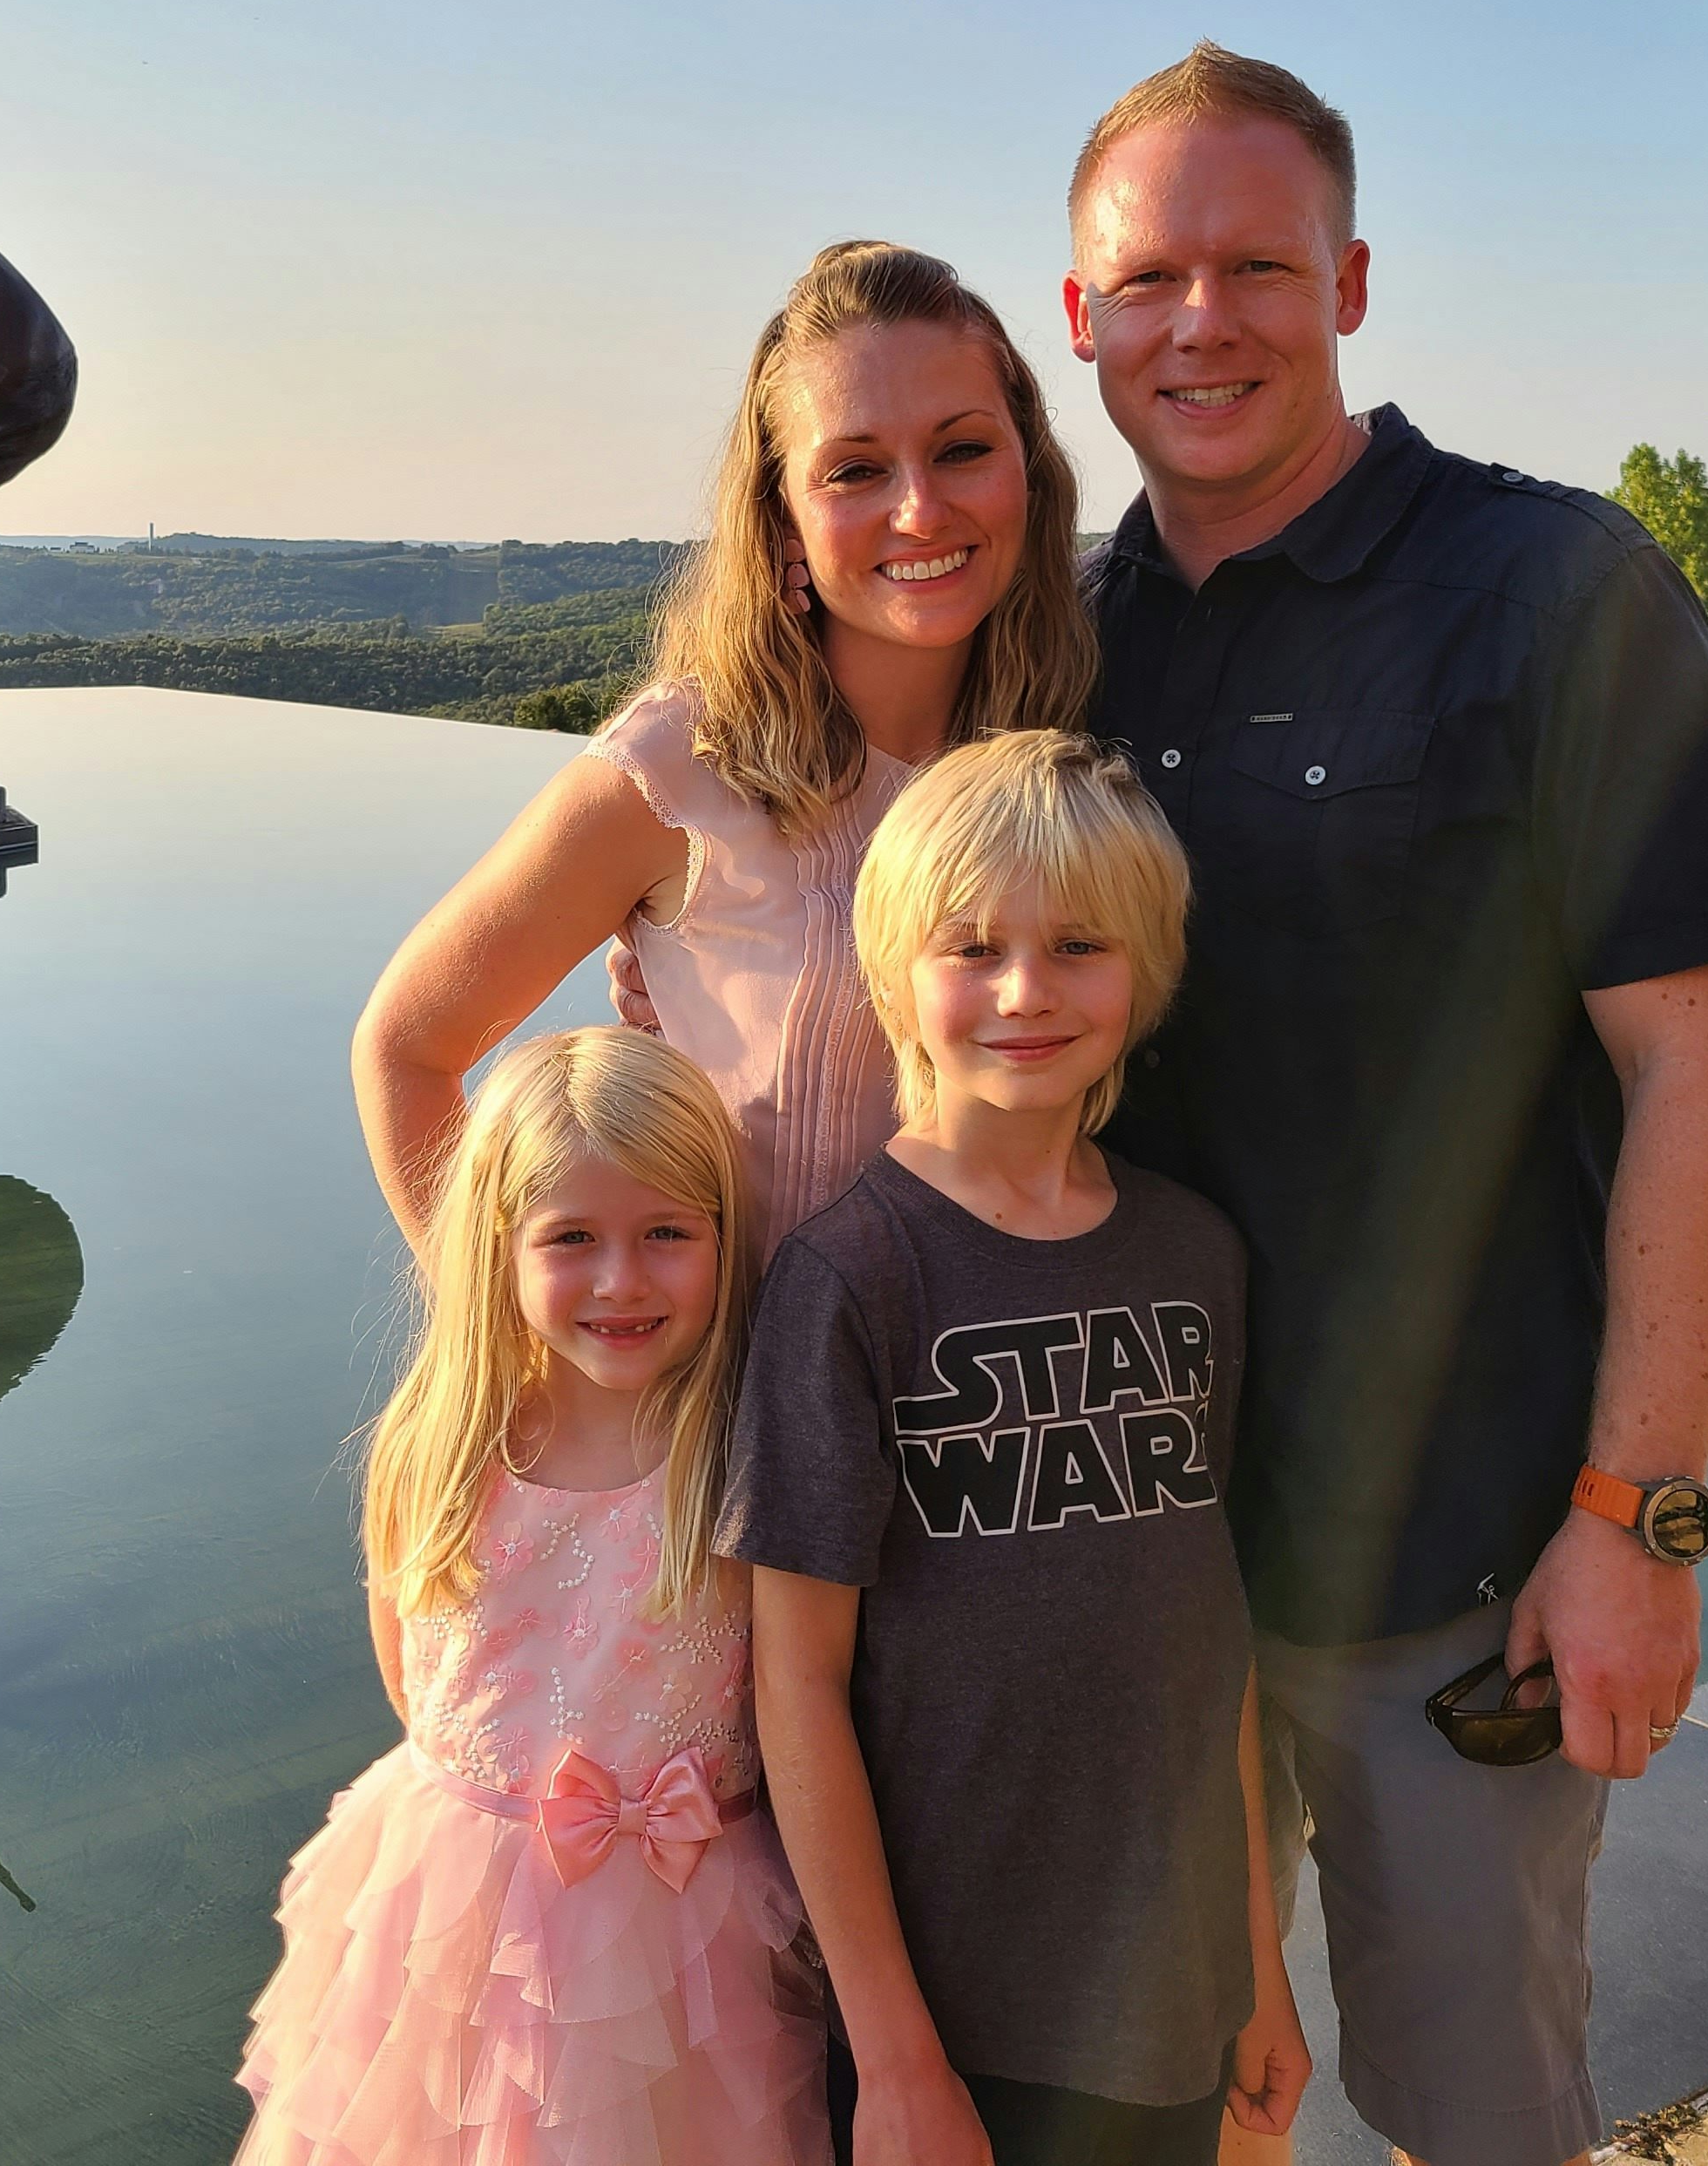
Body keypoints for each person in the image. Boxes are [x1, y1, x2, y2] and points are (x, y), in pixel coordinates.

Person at [1061, 44, 1708, 2166]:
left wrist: (1636, 1518)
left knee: (1474, 2110)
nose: (1202, 321)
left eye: (1257, 267)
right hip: (1130, 1565)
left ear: (1352, 282)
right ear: (1080, 315)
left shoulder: (1553, 591)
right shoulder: (1063, 639)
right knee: (1171, 2091)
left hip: (1458, 1567)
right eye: (1151, 277)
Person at [728, 730, 1311, 2166]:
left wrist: (1256, 1969)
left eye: (1077, 944)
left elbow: (1206, 1644)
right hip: (952, 2017)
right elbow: (795, 1682)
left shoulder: (1195, 1254)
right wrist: (896, 2055)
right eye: (970, 946)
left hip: (1171, 2001)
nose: (1023, 989)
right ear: (894, 979)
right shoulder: (850, 1276)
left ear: (1148, 972)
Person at [355, 241, 1096, 1257]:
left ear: (1029, 467)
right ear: (781, 514)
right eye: (855, 470)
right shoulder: (680, 771)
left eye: (964, 449)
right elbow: (407, 1048)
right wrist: (519, 1363)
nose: (919, 508)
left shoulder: (1071, 756)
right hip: (731, 1410)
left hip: (989, 1398)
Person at [233, 1029, 828, 2165]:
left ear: (724, 1237)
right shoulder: (444, 1445)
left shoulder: (739, 1454)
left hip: (688, 1934)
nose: (622, 1279)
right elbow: (415, 1688)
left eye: (667, 1233)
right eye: (572, 1239)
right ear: (498, 1247)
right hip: (457, 1917)